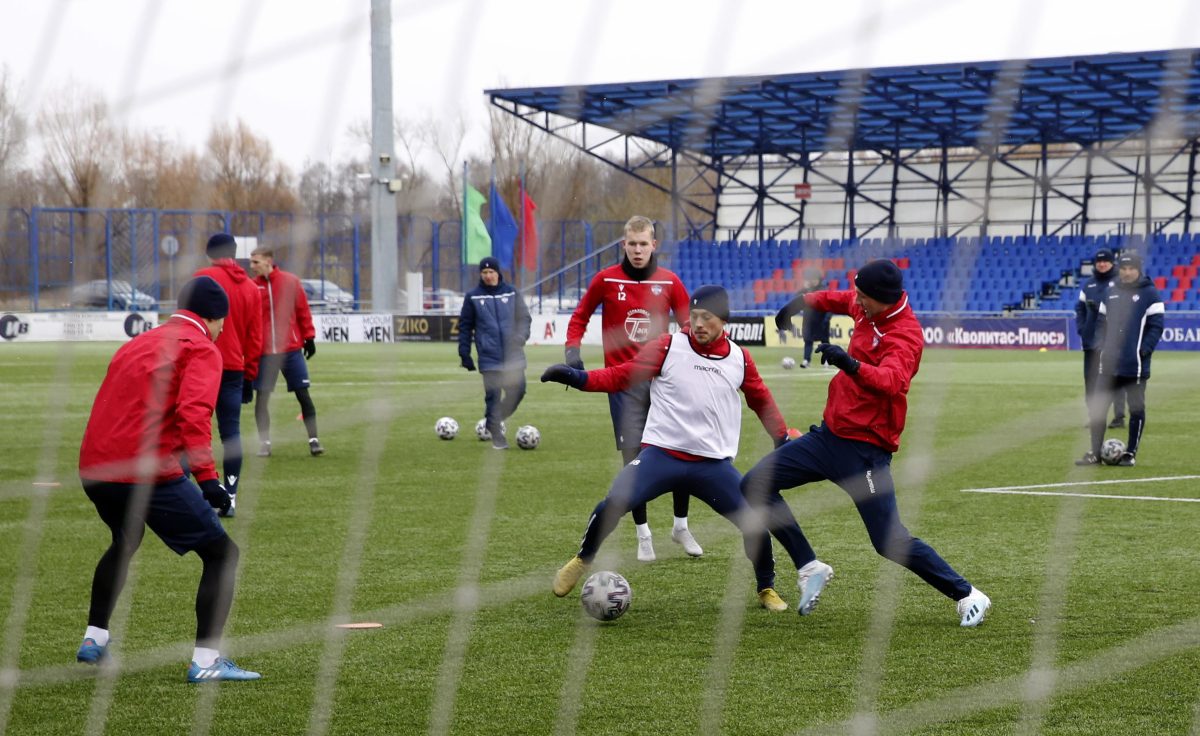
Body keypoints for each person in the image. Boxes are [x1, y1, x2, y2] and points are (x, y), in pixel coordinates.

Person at [740, 259, 992, 627]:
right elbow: (837, 298)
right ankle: (810, 566)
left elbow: (893, 382)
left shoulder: (905, 334)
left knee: (889, 541)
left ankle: (969, 595)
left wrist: (850, 364)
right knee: (754, 485)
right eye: (857, 293)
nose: (856, 301)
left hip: (866, 454)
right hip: (828, 438)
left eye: (863, 297)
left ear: (885, 300)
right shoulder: (865, 306)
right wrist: (800, 302)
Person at [545, 285, 793, 611]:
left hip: (712, 464)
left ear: (723, 320)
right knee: (615, 501)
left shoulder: (739, 358)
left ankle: (766, 588)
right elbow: (623, 376)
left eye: (707, 317)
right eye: (695, 316)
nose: (699, 324)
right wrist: (579, 379)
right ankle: (582, 559)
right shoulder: (667, 346)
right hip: (661, 455)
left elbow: (760, 399)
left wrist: (780, 436)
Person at [76, 276, 261, 682]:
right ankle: (207, 662)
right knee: (222, 554)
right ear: (215, 318)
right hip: (143, 471)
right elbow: (194, 414)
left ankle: (95, 637)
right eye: (221, 322)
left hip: (95, 467)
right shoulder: (200, 347)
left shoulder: (138, 341)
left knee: (125, 540)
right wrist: (209, 480)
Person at [564, 215, 698, 562]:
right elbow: (580, 314)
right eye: (632, 244)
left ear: (654, 245)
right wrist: (572, 350)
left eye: (644, 243)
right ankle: (643, 534)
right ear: (624, 245)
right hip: (622, 384)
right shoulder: (605, 278)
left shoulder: (669, 282)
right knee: (634, 458)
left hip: (663, 381)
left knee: (679, 449)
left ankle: (681, 525)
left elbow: (688, 324)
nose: (638, 250)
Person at [193, 233, 263, 517]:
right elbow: (255, 337)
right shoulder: (249, 286)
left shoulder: (202, 278)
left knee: (193, 429)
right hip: (234, 369)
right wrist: (250, 376)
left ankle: (187, 494)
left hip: (201, 364)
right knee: (231, 433)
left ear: (209, 252)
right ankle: (230, 496)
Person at [1076, 251, 1163, 467]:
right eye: (1123, 268)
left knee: (1136, 409)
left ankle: (1130, 453)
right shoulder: (1111, 292)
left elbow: (1156, 325)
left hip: (1135, 363)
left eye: (1131, 268)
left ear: (1138, 269)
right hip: (1108, 363)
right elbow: (1101, 322)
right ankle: (1096, 453)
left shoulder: (1150, 294)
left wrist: (1145, 349)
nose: (1126, 272)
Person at [249, 246, 323, 458]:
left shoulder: (290, 281)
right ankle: (265, 443)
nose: (252, 266)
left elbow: (302, 311)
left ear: (269, 261)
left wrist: (309, 337)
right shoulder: (252, 286)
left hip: (290, 351)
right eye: (251, 262)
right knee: (262, 398)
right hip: (264, 353)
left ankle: (314, 440)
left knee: (303, 394)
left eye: (256, 262)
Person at [457, 256, 532, 449]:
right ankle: (497, 436)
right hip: (488, 355)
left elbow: (524, 318)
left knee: (518, 391)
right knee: (493, 396)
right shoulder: (473, 297)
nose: (488, 276)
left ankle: (493, 421)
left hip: (513, 355)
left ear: (498, 272)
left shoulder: (512, 293)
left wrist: (520, 337)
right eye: (484, 272)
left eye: (491, 272)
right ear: (480, 275)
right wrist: (464, 353)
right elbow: (465, 327)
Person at [1075, 249, 1126, 429]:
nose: (1102, 264)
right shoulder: (1088, 285)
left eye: (1105, 261)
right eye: (1099, 261)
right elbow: (1079, 309)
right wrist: (1082, 328)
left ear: (1112, 263)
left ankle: (1119, 417)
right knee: (1091, 381)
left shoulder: (1120, 282)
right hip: (1090, 342)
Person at [774, 268, 832, 368]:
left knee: (824, 341)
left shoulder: (823, 289)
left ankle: (826, 360)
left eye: (814, 279)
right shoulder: (806, 289)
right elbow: (797, 299)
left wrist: (827, 319)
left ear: (818, 279)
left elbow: (830, 305)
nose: (811, 281)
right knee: (808, 340)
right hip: (808, 319)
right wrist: (805, 289)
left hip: (821, 319)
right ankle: (806, 360)